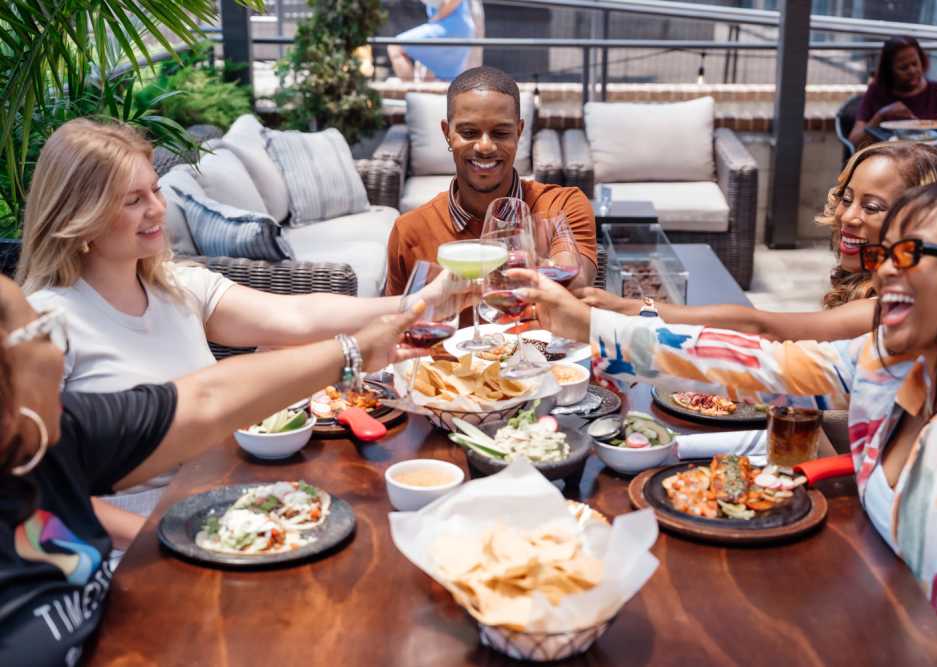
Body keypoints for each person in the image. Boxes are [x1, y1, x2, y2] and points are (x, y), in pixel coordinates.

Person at [518, 181, 937, 664]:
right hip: (856, 615)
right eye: (886, 254)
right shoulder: (886, 361)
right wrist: (590, 326)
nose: (889, 270)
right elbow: (758, 362)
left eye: (912, 252)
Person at [14, 118, 437, 547]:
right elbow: (41, 493)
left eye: (156, 190)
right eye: (132, 200)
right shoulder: (45, 327)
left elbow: (297, 317)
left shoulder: (175, 285)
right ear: (82, 218)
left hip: (225, 500)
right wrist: (159, 537)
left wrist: (414, 305)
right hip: (137, 539)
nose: (157, 209)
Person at [0, 274, 424, 666]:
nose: (58, 354)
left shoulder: (49, 435)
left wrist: (357, 350)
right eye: (43, 334)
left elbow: (208, 400)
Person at [575, 142, 937, 342]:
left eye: (872, 207)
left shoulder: (890, 309)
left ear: (920, 222)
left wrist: (629, 308)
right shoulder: (867, 285)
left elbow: (762, 328)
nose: (848, 216)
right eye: (846, 198)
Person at [385, 66, 598, 296]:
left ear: (519, 132)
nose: (485, 146)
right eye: (469, 132)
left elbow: (575, 285)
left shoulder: (562, 206)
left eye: (501, 133)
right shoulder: (409, 230)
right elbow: (400, 320)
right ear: (447, 133)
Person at [848, 36, 937, 148]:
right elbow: (854, 141)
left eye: (915, 64)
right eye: (903, 67)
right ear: (889, 70)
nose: (912, 71)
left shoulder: (933, 89)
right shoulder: (876, 91)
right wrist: (881, 115)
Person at [388, 0, 476, 82]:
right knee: (447, 79)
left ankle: (409, 91)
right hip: (462, 29)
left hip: (450, 27)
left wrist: (436, 18)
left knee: (395, 47)